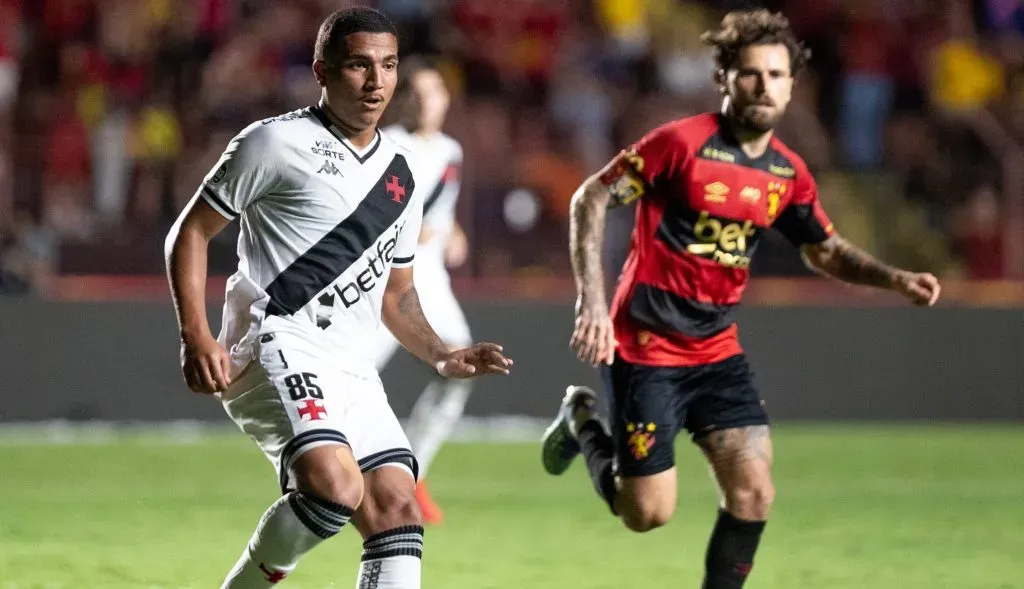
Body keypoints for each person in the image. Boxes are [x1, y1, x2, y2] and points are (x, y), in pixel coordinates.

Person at [540, 9, 941, 589]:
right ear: (725, 77)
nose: (763, 86)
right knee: (647, 514)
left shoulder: (787, 173)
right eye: (750, 73)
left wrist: (894, 278)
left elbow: (823, 249)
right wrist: (593, 303)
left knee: (754, 492)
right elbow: (591, 198)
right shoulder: (680, 145)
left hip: (716, 352)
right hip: (646, 346)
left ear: (791, 85)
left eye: (776, 75)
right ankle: (581, 421)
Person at [164, 8, 512, 588]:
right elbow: (190, 231)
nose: (377, 81)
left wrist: (442, 353)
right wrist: (195, 333)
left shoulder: (401, 178)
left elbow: (397, 295)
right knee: (337, 490)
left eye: (388, 66)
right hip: (276, 343)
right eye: (359, 65)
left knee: (398, 511)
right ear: (322, 71)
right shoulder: (273, 143)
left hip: (350, 366)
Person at [372, 56, 471, 525]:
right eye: (415, 92)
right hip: (382, 280)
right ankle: (333, 473)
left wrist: (452, 232)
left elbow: (441, 206)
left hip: (431, 279)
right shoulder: (385, 144)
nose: (424, 101)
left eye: (433, 92)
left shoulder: (451, 150)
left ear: (446, 100)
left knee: (460, 367)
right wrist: (407, 230)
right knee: (355, 378)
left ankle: (410, 475)